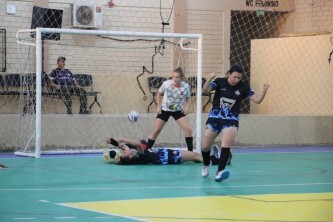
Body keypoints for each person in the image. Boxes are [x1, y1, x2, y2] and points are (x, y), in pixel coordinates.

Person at [201, 64, 270, 182]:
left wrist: (264, 91)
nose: (236, 80)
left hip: (231, 119)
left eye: (239, 78)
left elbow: (257, 100)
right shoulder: (219, 82)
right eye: (234, 77)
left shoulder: (244, 87)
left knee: (226, 145)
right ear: (229, 74)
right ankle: (206, 165)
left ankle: (220, 172)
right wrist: (209, 79)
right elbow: (205, 91)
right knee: (205, 147)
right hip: (215, 117)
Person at [146, 67, 194, 151]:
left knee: (188, 130)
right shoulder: (167, 84)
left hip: (177, 111)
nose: (174, 79)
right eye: (173, 77)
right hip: (165, 110)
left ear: (181, 78)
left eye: (177, 77)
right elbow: (158, 93)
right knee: (156, 130)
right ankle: (147, 150)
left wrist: (186, 107)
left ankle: (191, 152)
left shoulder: (186, 86)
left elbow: (187, 97)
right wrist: (158, 106)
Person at [103, 137, 219, 165]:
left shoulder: (133, 155)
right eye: (124, 153)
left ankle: (212, 159)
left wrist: (113, 141)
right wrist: (123, 139)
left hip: (167, 155)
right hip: (169, 157)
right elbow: (138, 144)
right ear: (130, 157)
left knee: (194, 157)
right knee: (196, 156)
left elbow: (123, 147)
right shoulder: (139, 155)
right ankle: (217, 161)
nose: (124, 150)